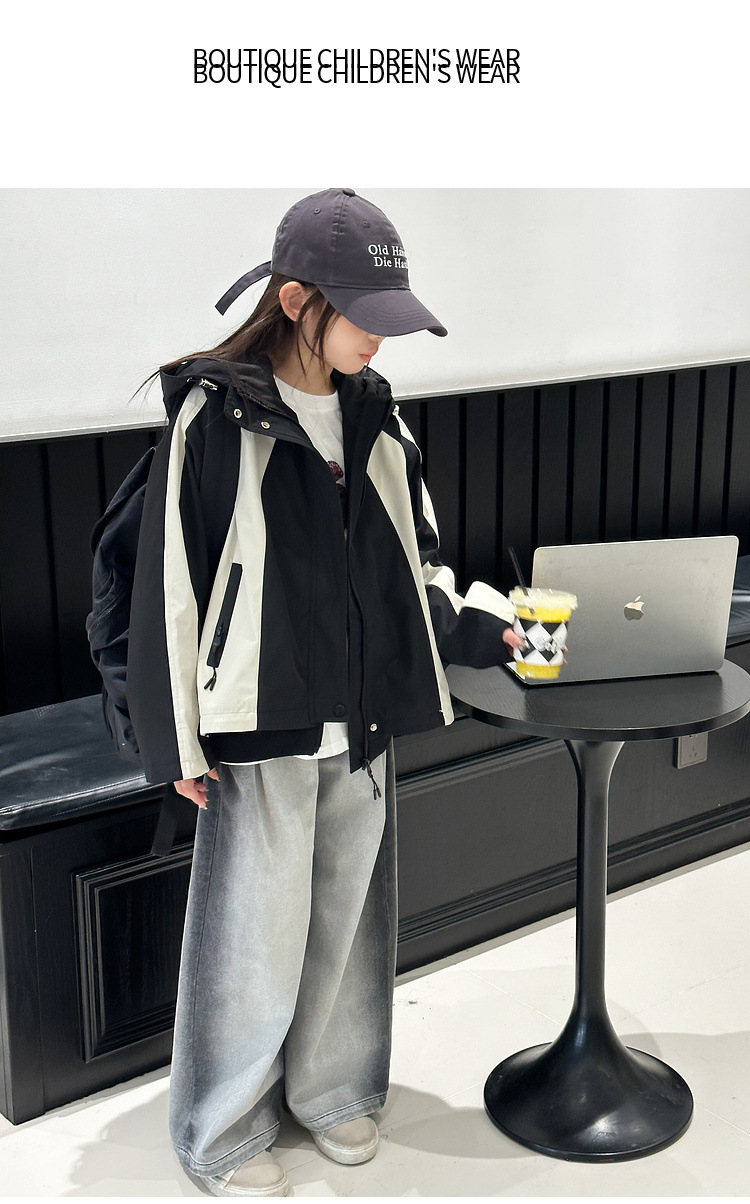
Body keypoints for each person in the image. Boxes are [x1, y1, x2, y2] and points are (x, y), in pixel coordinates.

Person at [127, 187, 525, 1197]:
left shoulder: (378, 419)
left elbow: (416, 562)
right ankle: (222, 1126)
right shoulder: (216, 416)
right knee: (252, 939)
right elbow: (170, 585)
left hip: (364, 718)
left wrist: (476, 630)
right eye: (365, 317)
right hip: (260, 721)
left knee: (345, 921)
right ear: (298, 299)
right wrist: (175, 741)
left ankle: (334, 1089)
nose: (380, 340)